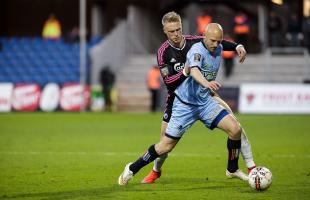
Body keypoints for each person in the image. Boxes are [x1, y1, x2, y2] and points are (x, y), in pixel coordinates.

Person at [141, 11, 255, 184]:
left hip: (204, 95)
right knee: (164, 144)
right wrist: (186, 71)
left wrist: (237, 45)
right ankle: (156, 170)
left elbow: (217, 41)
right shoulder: (163, 52)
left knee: (235, 125)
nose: (176, 34)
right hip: (177, 99)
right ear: (165, 31)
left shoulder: (194, 41)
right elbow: (169, 83)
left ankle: (250, 165)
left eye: (178, 29)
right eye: (172, 31)